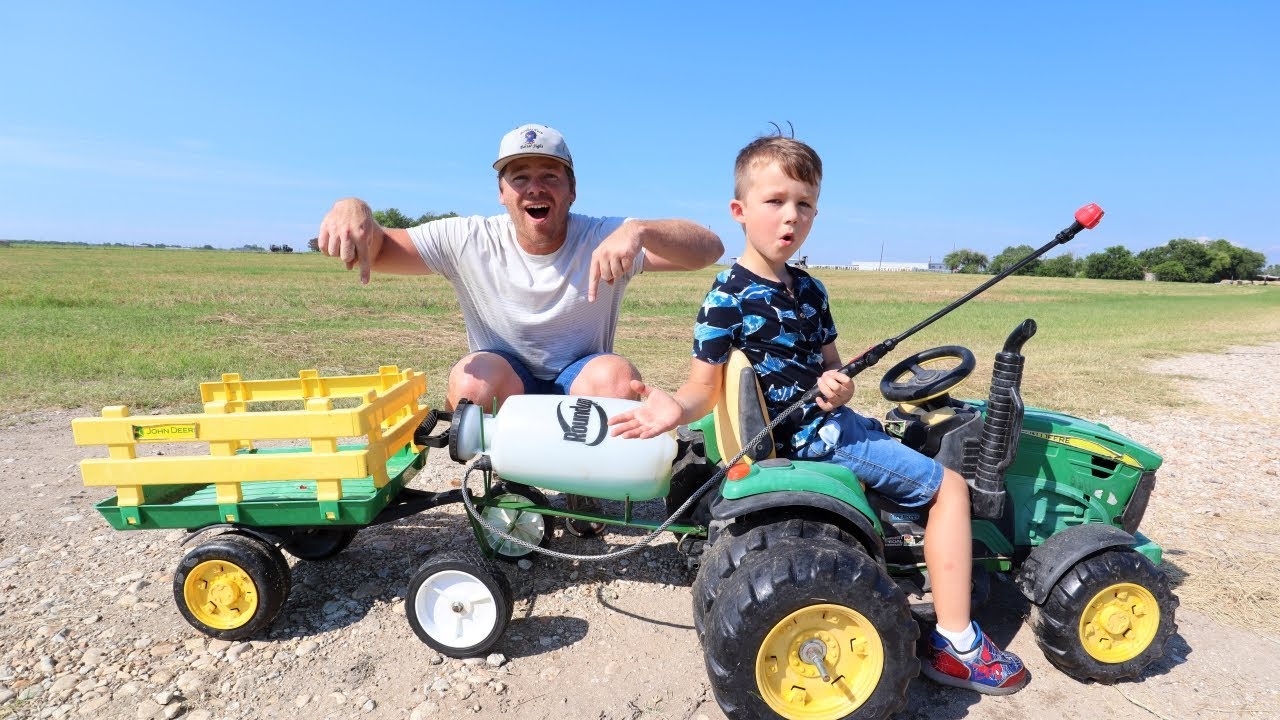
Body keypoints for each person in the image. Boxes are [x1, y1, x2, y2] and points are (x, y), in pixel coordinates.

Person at [608, 134, 1028, 695]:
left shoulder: (810, 289)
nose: (791, 218)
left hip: (832, 422)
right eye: (774, 201)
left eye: (804, 205)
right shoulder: (725, 297)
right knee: (951, 488)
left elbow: (832, 368)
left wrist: (840, 385)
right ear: (739, 211)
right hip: (818, 442)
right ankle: (957, 643)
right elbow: (701, 390)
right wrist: (674, 408)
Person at [314, 123, 723, 412]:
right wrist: (352, 208)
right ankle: (500, 485)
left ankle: (587, 485)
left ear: (572, 190)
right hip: (505, 378)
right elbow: (381, 246)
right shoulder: (468, 238)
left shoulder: (607, 237)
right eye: (519, 176)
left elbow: (708, 249)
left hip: (580, 381)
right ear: (501, 193)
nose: (535, 187)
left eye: (550, 175)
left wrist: (642, 230)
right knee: (471, 380)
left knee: (615, 378)